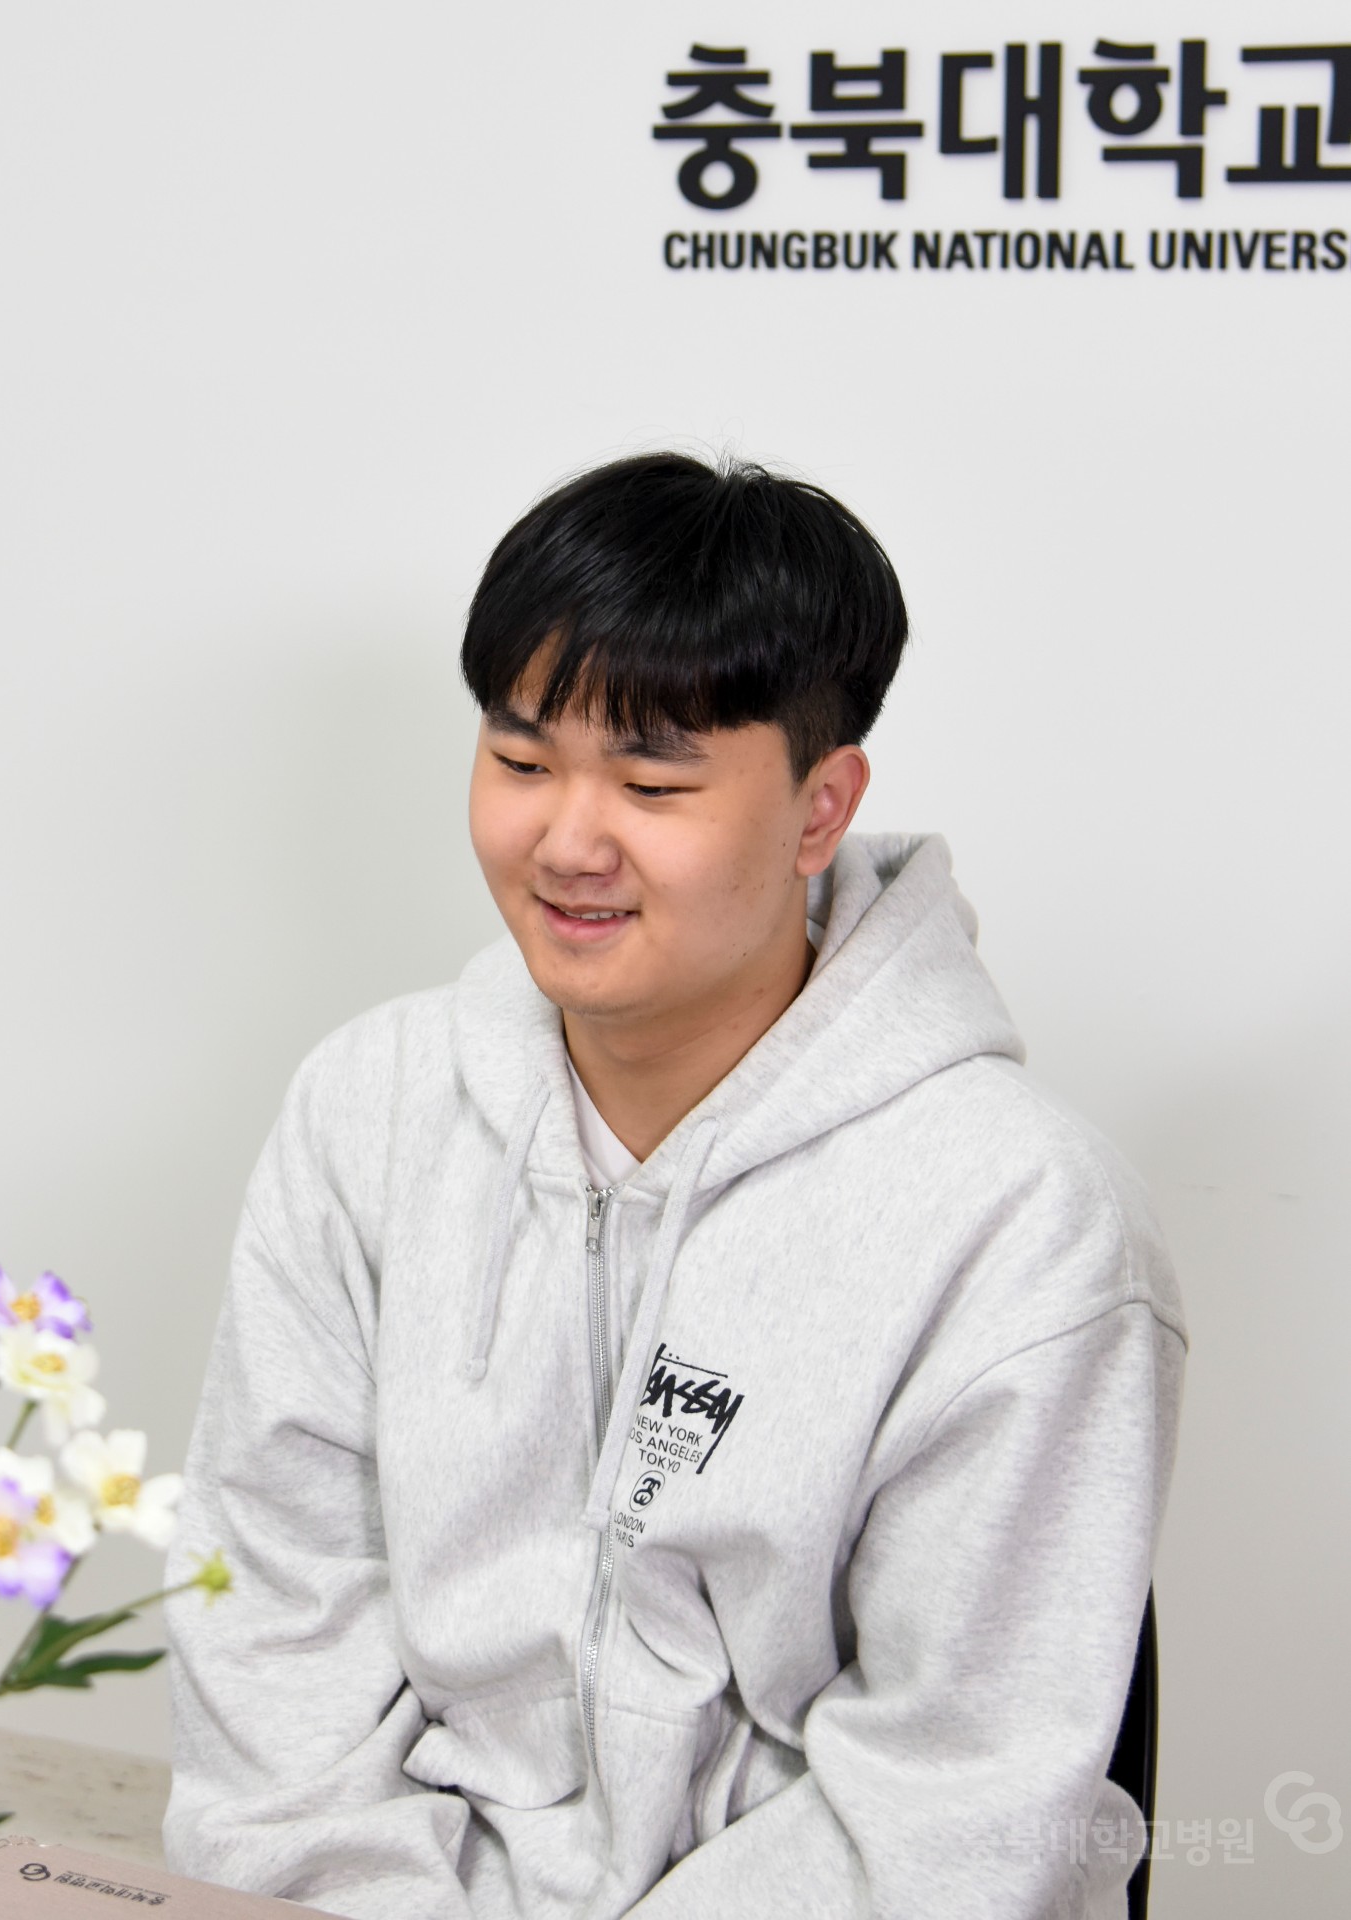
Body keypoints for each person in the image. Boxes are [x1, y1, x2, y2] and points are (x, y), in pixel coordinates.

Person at [162, 451, 1186, 1920]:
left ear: (821, 808)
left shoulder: (1021, 1219)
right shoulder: (368, 1111)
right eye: (522, 763)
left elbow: (953, 1804)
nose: (568, 842)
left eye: (652, 784)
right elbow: (272, 1621)